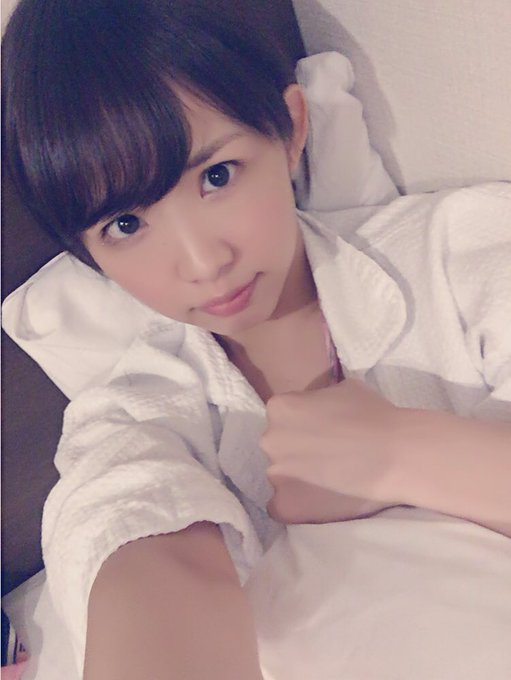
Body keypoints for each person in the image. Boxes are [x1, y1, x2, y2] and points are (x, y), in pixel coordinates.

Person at [2, 0, 511, 678]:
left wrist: (400, 452)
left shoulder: (456, 253)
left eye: (216, 176)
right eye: (125, 225)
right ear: (88, 256)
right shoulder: (131, 418)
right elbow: (133, 537)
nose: (203, 262)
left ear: (290, 127)